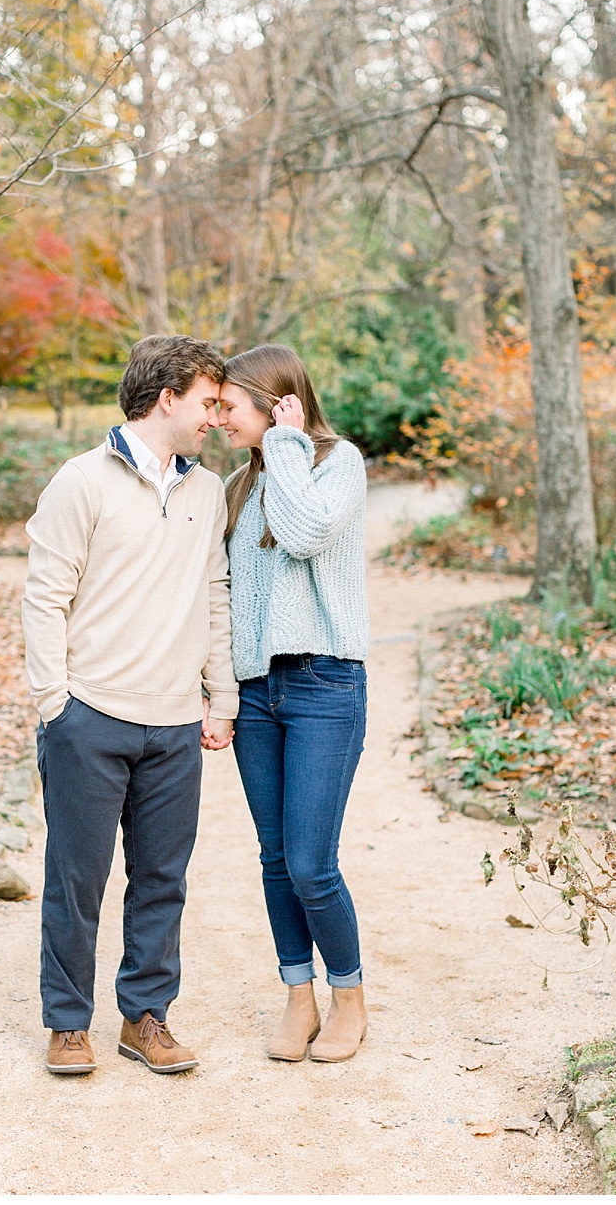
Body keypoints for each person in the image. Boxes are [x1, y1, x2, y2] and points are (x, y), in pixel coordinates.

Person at [23, 334, 237, 1075]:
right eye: (208, 401)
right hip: (90, 718)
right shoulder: (80, 482)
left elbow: (214, 593)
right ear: (168, 396)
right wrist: (56, 703)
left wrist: (222, 695)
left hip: (176, 723)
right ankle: (67, 1023)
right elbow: (44, 596)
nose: (216, 415)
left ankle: (145, 1017)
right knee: (76, 879)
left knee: (161, 882)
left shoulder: (206, 491)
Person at [216, 344, 371, 1062]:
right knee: (275, 858)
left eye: (229, 406)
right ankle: (297, 996)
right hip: (256, 694)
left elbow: (306, 535)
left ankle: (349, 996)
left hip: (325, 685)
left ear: (275, 403)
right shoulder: (236, 488)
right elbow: (223, 595)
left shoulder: (337, 463)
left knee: (312, 862)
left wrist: (285, 440)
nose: (219, 418)